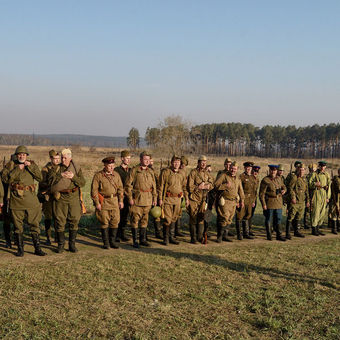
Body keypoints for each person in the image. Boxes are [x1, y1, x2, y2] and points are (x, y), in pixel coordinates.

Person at [1, 145, 45, 256]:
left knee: (34, 224)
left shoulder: (31, 165)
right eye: (20, 154)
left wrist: (31, 167)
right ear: (16, 155)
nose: (22, 156)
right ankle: (20, 249)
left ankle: (37, 248)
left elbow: (40, 178)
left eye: (24, 154)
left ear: (27, 156)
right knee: (17, 226)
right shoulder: (10, 166)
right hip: (16, 201)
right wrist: (17, 169)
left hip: (31, 200)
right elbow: (5, 180)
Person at [48, 148, 86, 253]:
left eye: (65, 158)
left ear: (70, 158)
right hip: (60, 197)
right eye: (62, 157)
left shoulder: (76, 168)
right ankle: (61, 245)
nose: (63, 159)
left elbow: (82, 183)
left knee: (74, 220)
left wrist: (73, 177)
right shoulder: (56, 169)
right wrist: (61, 175)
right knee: (60, 221)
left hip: (73, 196)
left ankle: (71, 245)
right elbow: (50, 181)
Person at [125, 151, 157, 248]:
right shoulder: (134, 171)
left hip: (148, 199)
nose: (147, 161)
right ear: (140, 160)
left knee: (145, 220)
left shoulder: (151, 172)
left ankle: (143, 240)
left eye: (148, 159)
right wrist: (130, 198)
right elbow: (127, 186)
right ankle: (135, 240)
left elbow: (154, 186)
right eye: (145, 159)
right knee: (135, 220)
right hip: (137, 200)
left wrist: (154, 198)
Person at [91, 156, 124, 249]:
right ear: (105, 165)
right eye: (109, 165)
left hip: (114, 201)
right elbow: (94, 190)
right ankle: (106, 243)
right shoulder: (98, 175)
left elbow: (121, 189)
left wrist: (121, 201)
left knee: (115, 221)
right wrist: (97, 203)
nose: (112, 167)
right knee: (104, 222)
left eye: (113, 165)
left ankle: (112, 241)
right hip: (104, 201)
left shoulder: (116, 175)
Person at [158, 155, 188, 245]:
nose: (176, 164)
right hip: (167, 199)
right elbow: (161, 186)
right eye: (175, 162)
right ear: (171, 163)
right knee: (168, 219)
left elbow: (184, 187)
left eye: (178, 162)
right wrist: (160, 198)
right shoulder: (166, 172)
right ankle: (166, 238)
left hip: (178, 199)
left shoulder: (181, 173)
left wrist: (186, 198)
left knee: (174, 218)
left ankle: (172, 237)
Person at [214, 161, 244, 243]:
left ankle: (225, 236)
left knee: (229, 219)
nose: (233, 170)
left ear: (237, 169)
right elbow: (215, 185)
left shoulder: (238, 178)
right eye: (232, 168)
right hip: (225, 201)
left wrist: (242, 200)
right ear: (229, 168)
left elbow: (240, 190)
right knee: (224, 217)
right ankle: (219, 236)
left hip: (234, 201)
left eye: (235, 169)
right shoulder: (224, 176)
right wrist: (224, 186)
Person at [187, 155, 214, 244]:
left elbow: (212, 184)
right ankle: (193, 238)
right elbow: (190, 187)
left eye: (205, 162)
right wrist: (198, 187)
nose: (203, 164)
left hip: (203, 199)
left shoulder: (207, 173)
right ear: (198, 163)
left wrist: (207, 186)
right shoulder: (193, 173)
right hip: (194, 198)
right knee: (193, 217)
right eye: (202, 162)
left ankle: (200, 237)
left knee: (201, 217)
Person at [38, 150, 60, 245]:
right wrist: (50, 184)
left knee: (57, 216)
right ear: (51, 158)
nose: (57, 160)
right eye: (55, 159)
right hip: (48, 196)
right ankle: (48, 237)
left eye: (58, 159)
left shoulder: (61, 168)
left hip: (58, 196)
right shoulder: (45, 169)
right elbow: (41, 182)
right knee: (48, 217)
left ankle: (57, 237)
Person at [259, 165, 287, 241]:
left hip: (278, 202)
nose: (273, 172)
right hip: (270, 202)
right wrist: (264, 204)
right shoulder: (265, 180)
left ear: (276, 171)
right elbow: (261, 194)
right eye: (271, 170)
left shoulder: (279, 179)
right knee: (269, 219)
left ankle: (279, 235)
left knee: (278, 219)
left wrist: (284, 190)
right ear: (269, 170)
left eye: (274, 170)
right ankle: (269, 235)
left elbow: (284, 186)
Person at [286, 164, 309, 239]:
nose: (302, 171)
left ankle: (296, 231)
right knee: (291, 216)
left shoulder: (304, 179)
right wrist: (293, 197)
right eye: (300, 169)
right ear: (298, 170)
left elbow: (306, 191)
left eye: (303, 170)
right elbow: (290, 188)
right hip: (295, 201)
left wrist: (308, 200)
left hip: (302, 201)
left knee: (298, 217)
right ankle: (287, 233)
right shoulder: (294, 177)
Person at [309, 161, 331, 236]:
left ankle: (318, 228)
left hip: (324, 194)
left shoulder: (326, 175)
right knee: (316, 212)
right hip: (317, 194)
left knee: (322, 212)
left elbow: (329, 186)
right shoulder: (314, 174)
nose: (322, 167)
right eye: (321, 166)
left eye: (324, 166)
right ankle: (314, 229)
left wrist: (328, 197)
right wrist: (315, 184)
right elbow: (309, 183)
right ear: (319, 166)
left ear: (325, 167)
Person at [235, 161, 256, 240]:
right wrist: (239, 201)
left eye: (250, 168)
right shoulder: (241, 177)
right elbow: (238, 189)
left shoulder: (253, 177)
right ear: (244, 168)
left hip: (250, 200)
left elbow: (254, 191)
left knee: (248, 215)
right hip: (242, 199)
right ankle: (239, 234)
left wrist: (253, 200)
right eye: (247, 167)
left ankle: (246, 233)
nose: (248, 169)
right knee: (239, 216)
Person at [114, 150, 132, 242]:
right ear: (122, 159)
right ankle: (116, 235)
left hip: (127, 197)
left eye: (129, 158)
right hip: (119, 196)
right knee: (118, 216)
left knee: (125, 216)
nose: (128, 160)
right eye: (127, 158)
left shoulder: (131, 170)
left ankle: (122, 234)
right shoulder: (116, 170)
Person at [174, 155, 189, 237]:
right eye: (182, 164)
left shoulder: (184, 171)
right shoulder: (177, 171)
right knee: (175, 213)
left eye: (184, 165)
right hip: (175, 195)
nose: (183, 166)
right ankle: (174, 231)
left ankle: (177, 230)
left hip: (181, 194)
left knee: (179, 213)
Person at [303, 163, 317, 229]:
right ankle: (306, 223)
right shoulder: (310, 176)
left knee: (311, 209)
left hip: (312, 194)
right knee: (308, 209)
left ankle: (309, 223)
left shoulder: (309, 175)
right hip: (310, 193)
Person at [249, 165, 261, 236]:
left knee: (251, 215)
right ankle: (246, 230)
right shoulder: (250, 178)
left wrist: (254, 200)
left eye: (257, 171)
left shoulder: (257, 179)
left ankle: (249, 229)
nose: (255, 173)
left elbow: (255, 191)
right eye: (254, 171)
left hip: (254, 199)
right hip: (249, 199)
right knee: (247, 215)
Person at [329, 168, 340, 234]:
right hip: (336, 199)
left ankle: (338, 227)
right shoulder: (336, 179)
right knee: (335, 213)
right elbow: (338, 188)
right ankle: (334, 228)